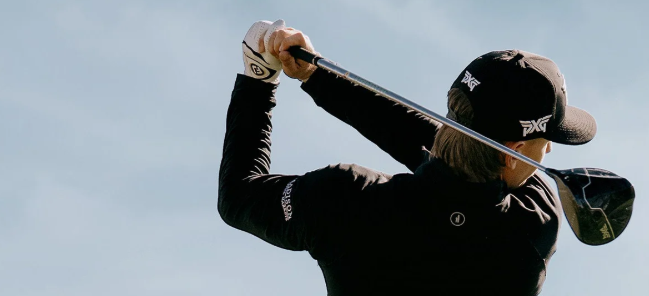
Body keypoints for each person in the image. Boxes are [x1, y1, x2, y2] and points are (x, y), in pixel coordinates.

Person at [219, 19, 598, 296]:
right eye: (546, 140)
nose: (548, 151)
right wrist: (315, 76)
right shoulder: (535, 221)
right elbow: (440, 157)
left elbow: (238, 198)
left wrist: (260, 79)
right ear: (512, 154)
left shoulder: (344, 198)